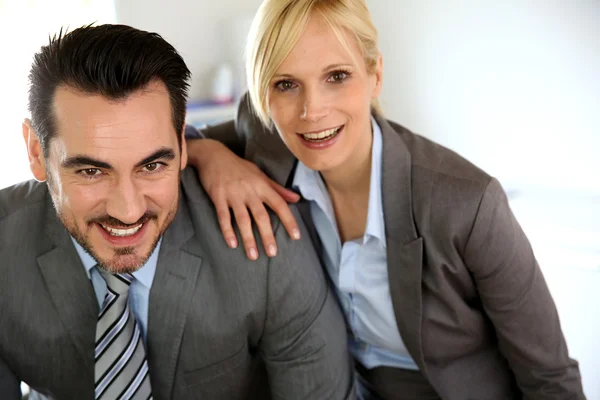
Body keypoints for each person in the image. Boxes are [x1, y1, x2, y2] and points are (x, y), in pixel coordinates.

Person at [184, 0, 586, 399]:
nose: (312, 111)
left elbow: (550, 378)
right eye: (285, 84)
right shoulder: (268, 138)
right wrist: (211, 156)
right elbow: (166, 143)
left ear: (375, 74)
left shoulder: (467, 204)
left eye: (337, 76)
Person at [0, 24, 354, 399]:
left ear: (183, 144)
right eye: (91, 171)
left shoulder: (265, 239)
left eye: (152, 166)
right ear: (37, 152)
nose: (128, 210)